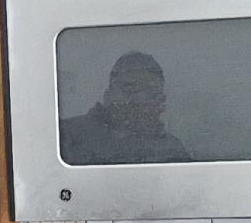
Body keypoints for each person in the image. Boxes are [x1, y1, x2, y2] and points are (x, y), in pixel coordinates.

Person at [61, 49, 193, 163]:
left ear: (159, 99)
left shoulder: (171, 149)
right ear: (109, 92)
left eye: (149, 91)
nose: (135, 99)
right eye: (128, 89)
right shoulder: (68, 135)